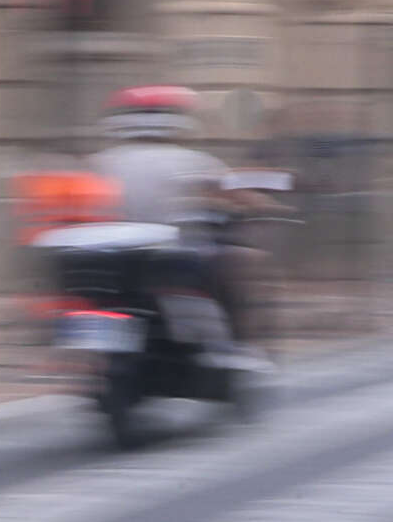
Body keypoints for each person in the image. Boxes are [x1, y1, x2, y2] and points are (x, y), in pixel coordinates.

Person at [86, 85, 272, 346]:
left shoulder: (99, 163)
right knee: (242, 263)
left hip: (110, 265)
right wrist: (263, 206)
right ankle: (239, 343)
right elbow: (241, 198)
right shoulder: (194, 161)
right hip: (178, 261)